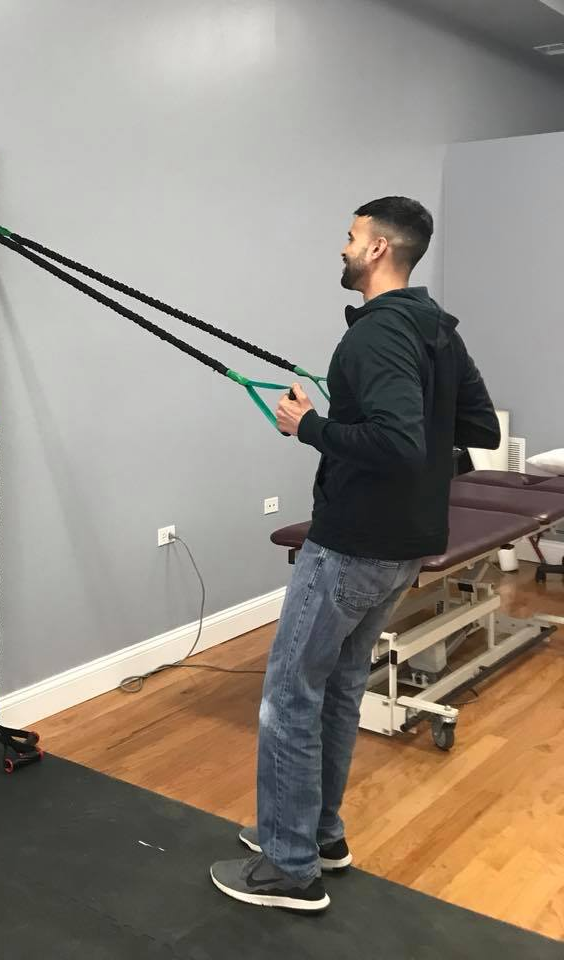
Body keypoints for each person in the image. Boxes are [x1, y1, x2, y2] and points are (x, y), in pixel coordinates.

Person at [210, 197, 501, 912]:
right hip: (404, 548)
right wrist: (375, 421)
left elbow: (402, 445)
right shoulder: (435, 328)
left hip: (351, 545)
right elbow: (478, 426)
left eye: (350, 238)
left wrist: (309, 425)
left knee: (288, 696)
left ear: (377, 250)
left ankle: (288, 866)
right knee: (338, 688)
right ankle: (318, 835)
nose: (342, 248)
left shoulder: (374, 338)